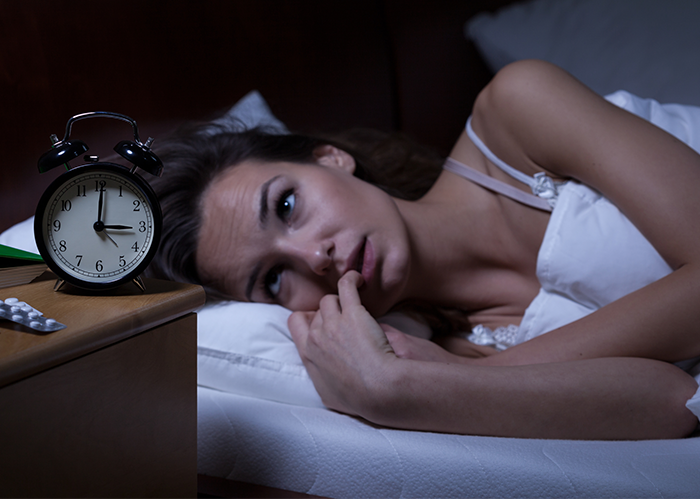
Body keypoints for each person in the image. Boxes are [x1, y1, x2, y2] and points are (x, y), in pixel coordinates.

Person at [148, 60, 700, 440]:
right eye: (272, 279)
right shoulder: (446, 354)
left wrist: (495, 373)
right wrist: (403, 389)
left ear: (331, 158)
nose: (314, 258)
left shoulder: (515, 112)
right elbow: (673, 401)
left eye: (287, 206)